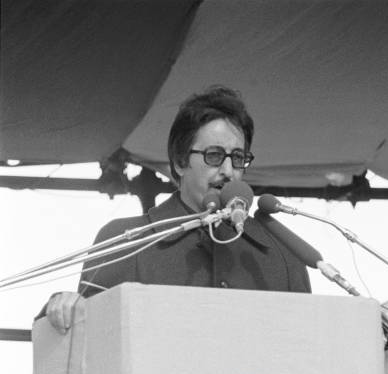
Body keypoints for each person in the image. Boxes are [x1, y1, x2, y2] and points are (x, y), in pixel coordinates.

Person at [45, 86, 310, 333]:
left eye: (238, 158)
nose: (228, 171)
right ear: (181, 161)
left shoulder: (284, 255)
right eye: (214, 156)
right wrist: (62, 308)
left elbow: (309, 356)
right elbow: (84, 342)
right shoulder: (128, 240)